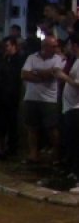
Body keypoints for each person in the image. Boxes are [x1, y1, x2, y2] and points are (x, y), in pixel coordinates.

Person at [21, 35, 65, 164]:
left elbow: (54, 74)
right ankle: (34, 154)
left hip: (49, 99)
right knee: (32, 128)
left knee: (52, 128)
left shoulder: (58, 59)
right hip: (31, 97)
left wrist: (35, 72)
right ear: (45, 47)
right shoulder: (32, 57)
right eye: (53, 46)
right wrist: (43, 75)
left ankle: (56, 155)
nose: (56, 48)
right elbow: (24, 74)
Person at [54, 33, 79, 181]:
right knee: (71, 142)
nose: (67, 47)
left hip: (76, 108)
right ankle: (73, 170)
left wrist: (64, 77)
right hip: (70, 107)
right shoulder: (74, 60)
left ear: (75, 46)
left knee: (76, 143)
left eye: (69, 45)